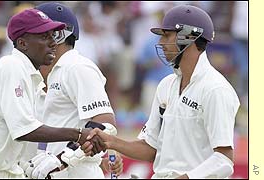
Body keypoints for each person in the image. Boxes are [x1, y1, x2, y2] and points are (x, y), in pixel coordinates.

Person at [83, 4, 240, 179]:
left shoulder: (215, 89)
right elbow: (151, 149)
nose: (161, 43)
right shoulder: (166, 85)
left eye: (166, 36)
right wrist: (111, 141)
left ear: (189, 37)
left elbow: (224, 159)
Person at [0, 9, 96, 178]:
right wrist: (77, 134)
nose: (53, 43)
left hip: (3, 172)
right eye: (44, 36)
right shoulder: (12, 66)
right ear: (23, 43)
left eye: (53, 36)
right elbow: (24, 130)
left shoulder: (32, 78)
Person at [20, 2, 119, 179]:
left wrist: (62, 158)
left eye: (34, 34)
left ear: (56, 35)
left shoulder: (77, 67)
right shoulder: (43, 74)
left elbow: (105, 123)